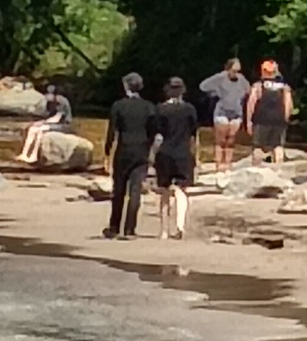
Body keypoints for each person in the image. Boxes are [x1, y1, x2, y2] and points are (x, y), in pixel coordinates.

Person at [102, 72, 156, 240]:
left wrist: (107, 150)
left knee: (118, 190)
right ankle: (130, 229)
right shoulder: (148, 106)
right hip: (141, 150)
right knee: (135, 191)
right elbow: (153, 130)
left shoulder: (118, 105)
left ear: (126, 86)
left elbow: (112, 130)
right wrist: (149, 147)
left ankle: (114, 226)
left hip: (124, 149)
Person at [153, 77, 198, 240]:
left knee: (164, 192)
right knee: (181, 190)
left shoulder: (161, 109)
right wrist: (195, 156)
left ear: (168, 90)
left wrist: (152, 154)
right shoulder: (189, 109)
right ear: (183, 91)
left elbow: (158, 135)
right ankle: (180, 226)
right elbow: (194, 134)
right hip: (183, 153)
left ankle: (164, 230)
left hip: (165, 152)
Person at [199, 58, 249, 172]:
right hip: (222, 111)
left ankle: (228, 163)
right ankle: (218, 163)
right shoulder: (220, 77)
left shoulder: (241, 79)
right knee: (221, 139)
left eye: (238, 71)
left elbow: (248, 90)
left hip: (236, 112)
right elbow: (203, 86)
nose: (236, 73)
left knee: (231, 139)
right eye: (234, 70)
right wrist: (215, 93)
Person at [245, 60, 293, 165]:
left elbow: (251, 104)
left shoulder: (258, 86)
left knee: (258, 146)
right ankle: (278, 168)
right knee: (278, 146)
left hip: (261, 119)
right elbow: (288, 105)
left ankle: (256, 168)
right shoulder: (285, 87)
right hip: (279, 119)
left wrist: (248, 121)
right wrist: (285, 118)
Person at [16, 85, 73, 163]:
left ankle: (34, 156)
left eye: (48, 94)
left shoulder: (62, 102)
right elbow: (48, 115)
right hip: (53, 124)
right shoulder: (50, 102)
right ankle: (24, 154)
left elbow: (57, 118)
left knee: (40, 130)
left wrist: (42, 123)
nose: (46, 96)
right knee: (32, 129)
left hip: (63, 125)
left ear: (54, 95)